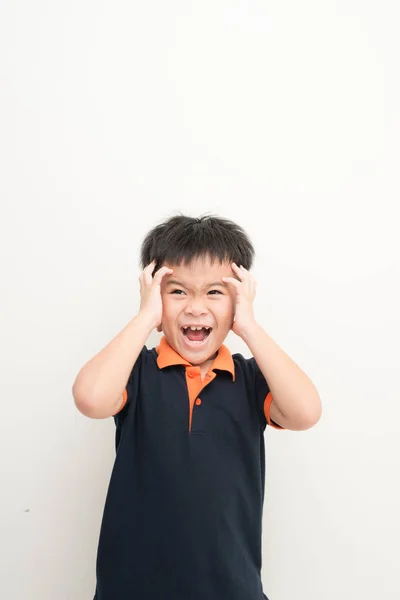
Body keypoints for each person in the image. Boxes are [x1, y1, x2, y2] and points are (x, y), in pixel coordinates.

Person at [72, 214, 322, 600]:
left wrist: (250, 327)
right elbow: (90, 399)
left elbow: (306, 412)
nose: (195, 307)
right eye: (177, 292)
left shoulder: (250, 380)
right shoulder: (138, 372)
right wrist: (144, 318)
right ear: (155, 298)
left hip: (231, 589)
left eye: (214, 293)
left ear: (238, 301)